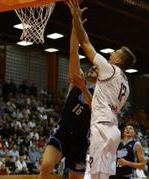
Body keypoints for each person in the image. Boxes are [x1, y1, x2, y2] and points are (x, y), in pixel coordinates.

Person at [66, 0, 137, 178]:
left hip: (102, 129)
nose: (111, 53)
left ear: (119, 61)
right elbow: (97, 102)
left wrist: (75, 17)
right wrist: (83, 87)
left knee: (93, 176)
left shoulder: (110, 70)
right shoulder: (126, 85)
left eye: (115, 52)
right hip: (113, 130)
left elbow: (84, 41)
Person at [38, 20, 97, 179]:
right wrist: (74, 26)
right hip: (63, 132)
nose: (93, 68)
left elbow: (94, 108)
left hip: (80, 140)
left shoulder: (100, 94)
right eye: (92, 66)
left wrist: (85, 90)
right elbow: (73, 52)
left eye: (96, 68)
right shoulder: (77, 80)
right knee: (46, 166)